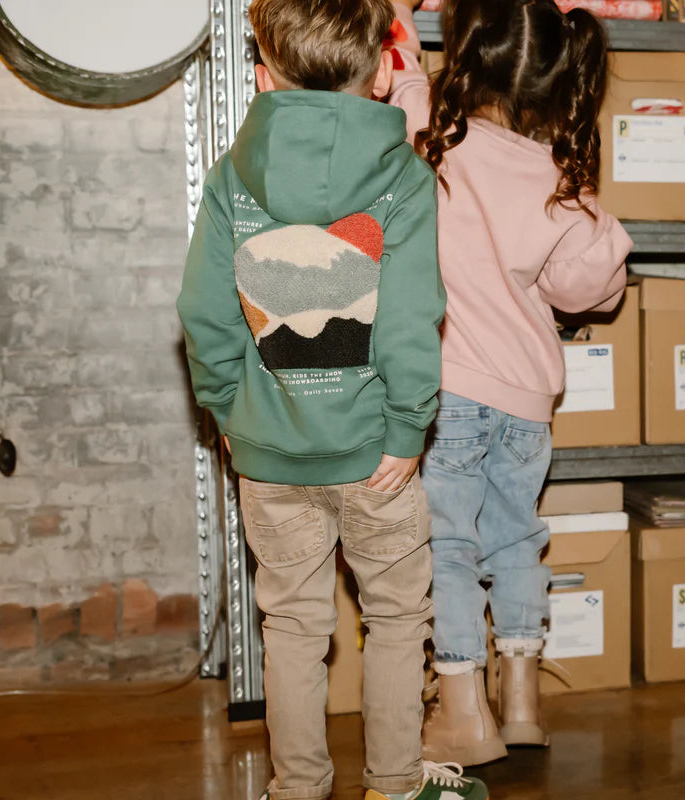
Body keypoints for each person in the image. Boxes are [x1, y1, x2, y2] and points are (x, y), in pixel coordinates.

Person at [177, 1, 489, 799]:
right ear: (386, 73)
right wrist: (406, 426)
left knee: (289, 628)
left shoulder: (228, 180)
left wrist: (228, 412)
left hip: (269, 455)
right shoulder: (405, 181)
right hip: (377, 457)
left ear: (261, 77)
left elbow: (204, 317)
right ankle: (390, 784)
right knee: (393, 621)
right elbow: (415, 319)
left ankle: (298, 786)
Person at [387, 0, 632, 767]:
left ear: (463, 54)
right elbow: (592, 289)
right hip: (527, 401)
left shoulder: (429, 131)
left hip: (450, 388)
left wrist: (398, 14)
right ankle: (521, 700)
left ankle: (463, 711)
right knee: (517, 538)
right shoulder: (554, 174)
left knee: (448, 546)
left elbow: (391, 77)